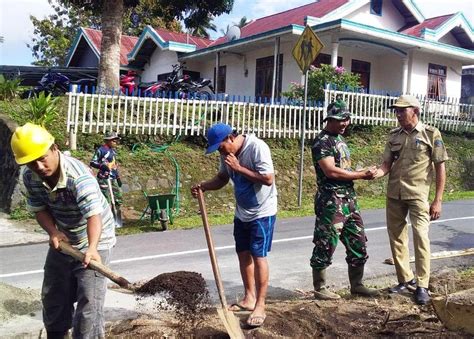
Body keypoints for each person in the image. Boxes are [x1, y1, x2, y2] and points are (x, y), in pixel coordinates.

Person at [10, 123, 116, 338]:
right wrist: (53, 232)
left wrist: (93, 248)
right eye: (31, 162)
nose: (39, 166)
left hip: (96, 238)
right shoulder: (30, 177)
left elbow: (93, 216)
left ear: (54, 148)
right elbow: (39, 209)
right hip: (65, 238)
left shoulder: (78, 177)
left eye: (42, 158)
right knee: (54, 296)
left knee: (89, 302)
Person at [191, 123, 277, 328]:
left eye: (220, 147)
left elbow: (268, 179)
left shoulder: (257, 147)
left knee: (259, 255)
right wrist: (204, 186)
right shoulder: (225, 155)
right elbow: (222, 178)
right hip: (242, 212)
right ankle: (248, 297)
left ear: (230, 137)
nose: (220, 152)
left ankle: (260, 304)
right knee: (243, 253)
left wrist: (239, 167)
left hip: (262, 212)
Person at [374, 95, 448, 305]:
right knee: (396, 237)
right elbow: (386, 165)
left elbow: (440, 167)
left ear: (414, 110)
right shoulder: (393, 135)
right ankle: (405, 279)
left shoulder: (431, 134)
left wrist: (438, 200)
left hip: (418, 195)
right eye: (396, 111)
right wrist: (373, 173)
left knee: (421, 237)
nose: (397, 114)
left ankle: (422, 285)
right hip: (394, 194)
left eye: (401, 110)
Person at [310, 99, 379, 300]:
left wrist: (363, 173)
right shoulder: (322, 141)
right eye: (340, 120)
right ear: (329, 119)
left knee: (358, 242)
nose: (344, 123)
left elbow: (344, 169)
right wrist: (360, 175)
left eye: (347, 119)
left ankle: (357, 284)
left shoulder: (340, 140)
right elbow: (331, 171)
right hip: (331, 200)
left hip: (349, 199)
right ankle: (320, 288)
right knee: (326, 242)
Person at [90, 132, 123, 224]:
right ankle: (107, 221)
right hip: (104, 178)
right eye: (113, 140)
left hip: (113, 178)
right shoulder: (101, 150)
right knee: (106, 200)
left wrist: (118, 177)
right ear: (107, 141)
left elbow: (114, 166)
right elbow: (93, 162)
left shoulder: (113, 151)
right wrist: (102, 166)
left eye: (116, 140)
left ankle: (118, 220)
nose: (115, 142)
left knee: (118, 198)